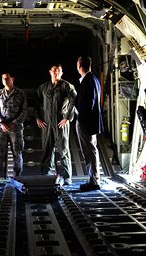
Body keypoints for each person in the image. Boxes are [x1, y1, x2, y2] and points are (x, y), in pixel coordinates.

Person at [36, 63, 76, 185]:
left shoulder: (67, 86)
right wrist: (38, 118)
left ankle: (67, 176)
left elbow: (74, 100)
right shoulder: (43, 87)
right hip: (47, 123)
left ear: (61, 72)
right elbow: (37, 103)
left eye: (59, 70)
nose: (56, 72)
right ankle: (45, 174)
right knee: (47, 149)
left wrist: (67, 118)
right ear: (50, 72)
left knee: (63, 149)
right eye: (54, 70)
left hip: (60, 122)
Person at [74, 55, 104, 191]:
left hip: (86, 122)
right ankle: (94, 179)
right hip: (90, 122)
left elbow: (88, 103)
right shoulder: (94, 79)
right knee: (91, 150)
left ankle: (94, 181)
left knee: (90, 151)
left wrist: (81, 119)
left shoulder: (88, 80)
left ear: (80, 66)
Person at [0, 71, 27, 183]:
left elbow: (24, 111)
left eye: (7, 78)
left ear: (13, 79)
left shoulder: (21, 93)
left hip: (15, 129)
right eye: (3, 78)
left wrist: (14, 123)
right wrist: (1, 122)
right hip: (1, 129)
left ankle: (17, 175)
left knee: (17, 152)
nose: (5, 80)